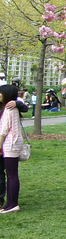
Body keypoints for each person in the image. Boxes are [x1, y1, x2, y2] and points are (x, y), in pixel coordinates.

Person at [0, 85, 26, 213]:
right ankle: (9, 203)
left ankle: (12, 204)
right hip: (12, 142)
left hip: (10, 143)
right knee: (11, 175)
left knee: (12, 175)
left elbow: (4, 130)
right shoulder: (11, 108)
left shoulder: (10, 108)